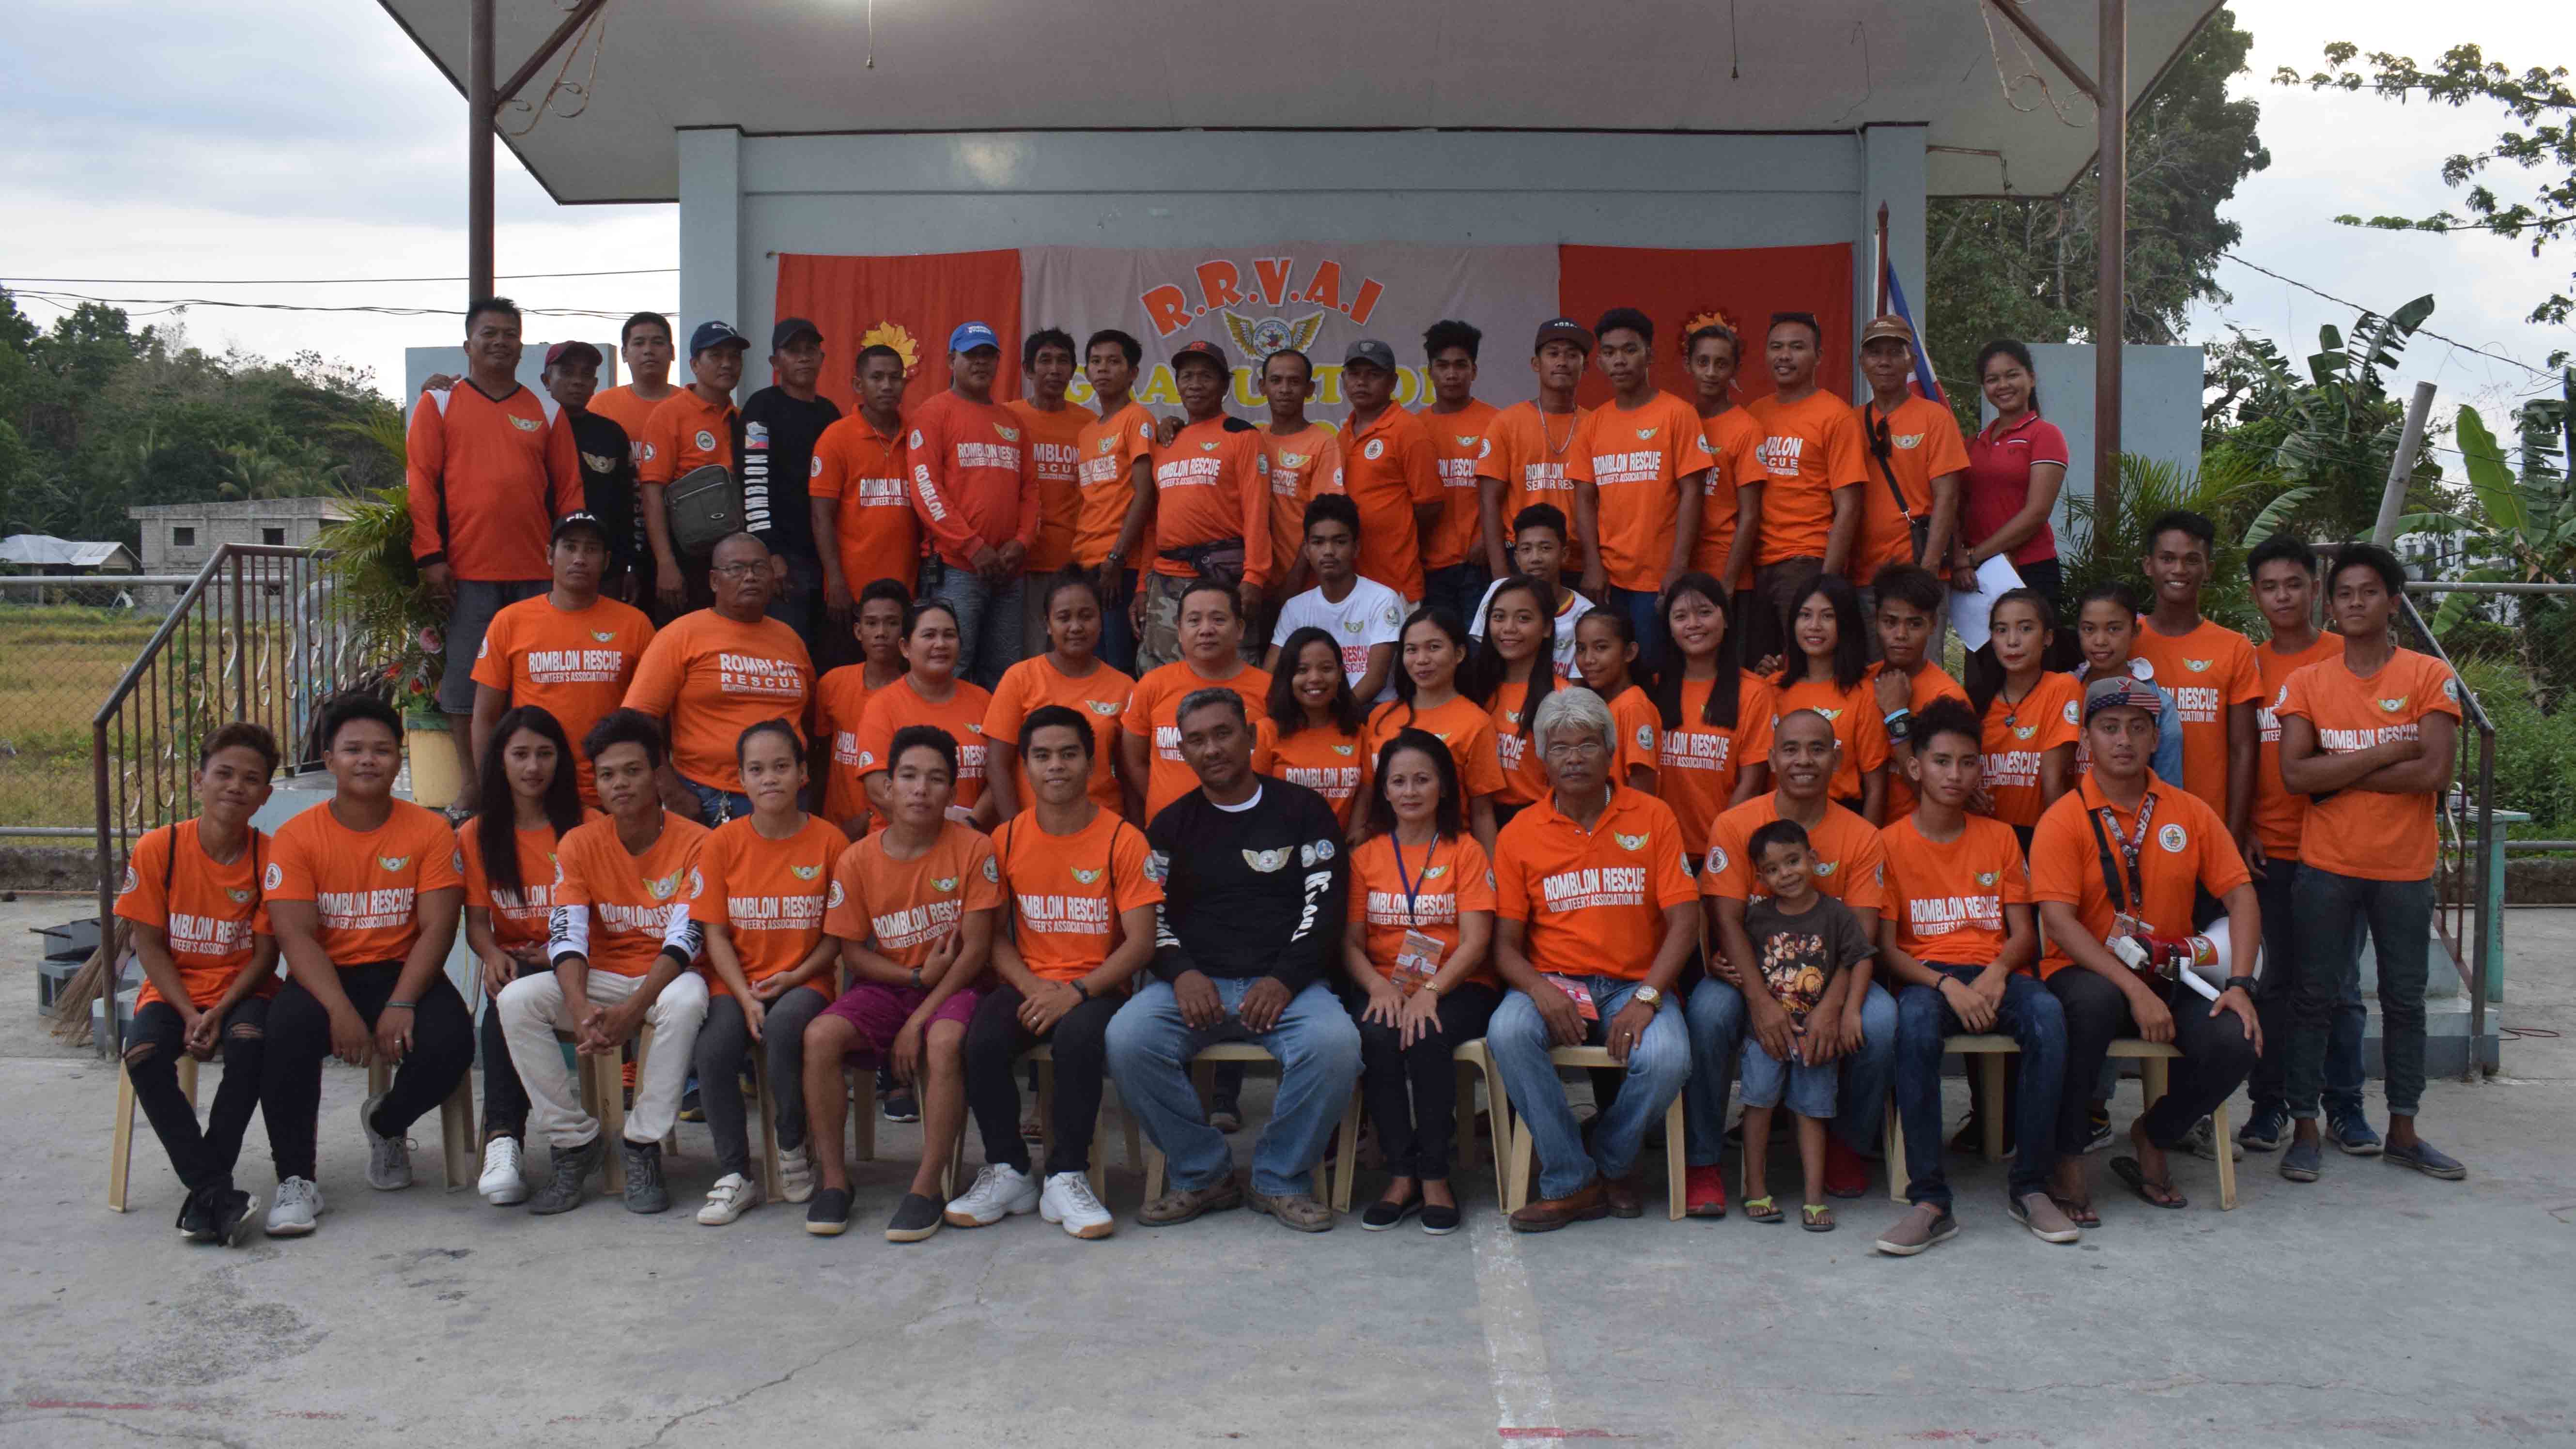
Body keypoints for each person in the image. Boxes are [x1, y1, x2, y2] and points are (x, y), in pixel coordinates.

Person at [1104, 687, 1360, 1231]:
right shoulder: (1170, 825)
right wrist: (1181, 972)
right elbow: (1152, 916)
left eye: (1223, 733)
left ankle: (1279, 1178)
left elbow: (1325, 908)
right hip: (1196, 986)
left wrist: (1284, 979)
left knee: (1335, 1044)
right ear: (1183, 752)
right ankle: (1202, 1174)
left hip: (1288, 986)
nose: (1212, 749)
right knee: (1127, 1038)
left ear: (1249, 737)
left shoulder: (1302, 810)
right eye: (1196, 740)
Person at [2031, 676, 2262, 1217]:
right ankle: (2067, 1158)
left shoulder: (2190, 811)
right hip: (2084, 972)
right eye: (2109, 728)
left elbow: (2242, 898)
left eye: (2138, 728)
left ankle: (2155, 1134)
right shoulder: (2063, 818)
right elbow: (2058, 923)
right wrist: (2135, 992)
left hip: (2169, 970)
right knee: (2092, 1005)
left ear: (2156, 739)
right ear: (2086, 740)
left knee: (2236, 1039)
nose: (2123, 740)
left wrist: (2240, 985)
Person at [2276, 542, 2465, 1183]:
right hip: (2325, 866)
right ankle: (2304, 1128)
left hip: (2403, 870)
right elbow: (2296, 775)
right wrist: (2388, 750)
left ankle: (2403, 1130)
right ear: (2330, 606)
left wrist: (2337, 773)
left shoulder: (2427, 675)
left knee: (2403, 1002)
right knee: (2312, 998)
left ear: (2392, 602)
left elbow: (2433, 772)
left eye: (2368, 592)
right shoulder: (2307, 682)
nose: (2355, 603)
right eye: (2344, 594)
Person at [257, 695, 472, 1237]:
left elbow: (439, 928)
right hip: (325, 977)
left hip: (403, 971)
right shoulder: (297, 837)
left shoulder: (430, 831)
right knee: (283, 1033)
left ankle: (386, 1121)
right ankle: (296, 1179)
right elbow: (295, 935)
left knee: (452, 1041)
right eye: (353, 750)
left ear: (399, 759)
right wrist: (338, 1010)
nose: (368, 760)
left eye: (382, 749)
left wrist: (402, 1000)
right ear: (329, 759)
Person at [945, 706, 1160, 1240]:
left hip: (1099, 987)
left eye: (1069, 754)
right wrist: (1033, 986)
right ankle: (1010, 1171)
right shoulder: (1005, 839)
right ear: (1025, 767)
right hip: (1031, 981)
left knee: (1079, 1040)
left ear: (1091, 763)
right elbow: (992, 937)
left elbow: (1141, 942)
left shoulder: (1123, 839)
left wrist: (1077, 991)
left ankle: (1066, 1175)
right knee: (982, 1039)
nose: (1056, 766)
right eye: (1042, 756)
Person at [1487, 687, 1697, 1231]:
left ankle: (1603, 1162)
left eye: (1586, 745)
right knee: (1507, 1031)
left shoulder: (1653, 816)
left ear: (1610, 751)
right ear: (1542, 758)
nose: (1574, 758)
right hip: (1555, 980)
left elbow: (1684, 923)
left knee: (1668, 1057)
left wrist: (1647, 999)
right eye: (1559, 747)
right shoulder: (1518, 833)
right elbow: (1504, 946)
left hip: (1635, 983)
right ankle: (1573, 1180)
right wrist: (1540, 989)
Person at [1873, 697, 2076, 1254]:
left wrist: (1995, 973)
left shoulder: (2000, 836)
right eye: (1941, 761)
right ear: (1914, 766)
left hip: (1995, 969)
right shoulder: (1888, 843)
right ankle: (1929, 1202)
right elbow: (1886, 948)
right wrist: (1945, 986)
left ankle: (2031, 1186)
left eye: (1967, 763)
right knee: (1913, 1026)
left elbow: (2023, 932)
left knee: (2047, 1016)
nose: (1954, 774)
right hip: (1927, 977)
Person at [495, 709, 710, 1215]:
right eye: (608, 774)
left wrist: (632, 1011)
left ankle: (642, 1144)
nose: (620, 784)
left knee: (686, 1000)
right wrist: (580, 1007)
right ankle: (573, 1142)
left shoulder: (698, 841)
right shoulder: (580, 842)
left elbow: (686, 939)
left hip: (668, 977)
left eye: (633, 771)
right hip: (604, 977)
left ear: (657, 774)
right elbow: (566, 933)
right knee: (516, 999)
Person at [1689, 710, 1897, 1212]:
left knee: (1881, 1020)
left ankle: (1845, 1142)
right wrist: (1760, 1000)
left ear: (1837, 760)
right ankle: (1704, 1160)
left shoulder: (1862, 835)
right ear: (1771, 758)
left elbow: (1862, 937)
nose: (1804, 760)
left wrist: (1832, 1004)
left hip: (1829, 979)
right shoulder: (1735, 824)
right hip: (1749, 979)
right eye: (1790, 749)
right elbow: (1726, 920)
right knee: (1707, 1012)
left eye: (1817, 749)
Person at [807, 725, 1003, 1240]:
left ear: (952, 792)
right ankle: (834, 1182)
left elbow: (977, 950)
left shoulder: (975, 847)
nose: (921, 789)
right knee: (820, 1036)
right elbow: (852, 952)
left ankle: (927, 1186)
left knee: (943, 1041)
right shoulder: (857, 858)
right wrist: (913, 977)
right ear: (888, 788)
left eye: (936, 779)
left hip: (958, 986)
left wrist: (918, 1016)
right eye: (909, 777)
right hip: (893, 983)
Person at [113, 722, 281, 1246]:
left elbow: (266, 956)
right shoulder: (158, 848)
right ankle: (213, 1189)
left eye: (251, 779)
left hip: (243, 990)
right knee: (142, 1053)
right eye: (223, 774)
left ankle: (208, 1188)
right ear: (198, 780)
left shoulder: (270, 857)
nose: (236, 786)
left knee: (250, 1043)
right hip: (174, 991)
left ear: (266, 795)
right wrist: (189, 1012)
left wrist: (218, 1011)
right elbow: (148, 945)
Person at [408, 296, 583, 799]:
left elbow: (570, 494)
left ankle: (536, 791)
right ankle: (475, 788)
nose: (500, 342)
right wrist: (430, 556)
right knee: (465, 691)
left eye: (510, 334)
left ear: (521, 347)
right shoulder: (439, 404)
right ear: (468, 345)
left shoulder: (546, 410)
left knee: (536, 688)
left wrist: (568, 562)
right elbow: (420, 483)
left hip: (537, 576)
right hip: (466, 574)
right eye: (489, 333)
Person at [685, 720, 848, 1225]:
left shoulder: (830, 842)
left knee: (785, 1028)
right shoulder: (720, 843)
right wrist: (743, 994)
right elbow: (715, 935)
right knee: (714, 1048)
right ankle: (736, 1174)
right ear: (741, 780)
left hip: (807, 980)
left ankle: (791, 1142)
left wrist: (795, 977)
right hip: (736, 981)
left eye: (781, 766)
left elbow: (837, 936)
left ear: (802, 773)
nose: (770, 778)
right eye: (756, 770)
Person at [2235, 535, 2367, 1155]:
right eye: (2269, 586)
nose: (2282, 596)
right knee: (2274, 984)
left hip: (2338, 849)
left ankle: (2344, 1106)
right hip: (2270, 851)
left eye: (2293, 584)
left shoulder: (2345, 655)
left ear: (2315, 589)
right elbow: (2239, 752)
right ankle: (2270, 1105)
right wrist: (2243, 826)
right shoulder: (2248, 663)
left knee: (2338, 985)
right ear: (2254, 595)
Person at [1343, 729, 1499, 1233]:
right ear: (1385, 791)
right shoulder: (1365, 856)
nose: (1410, 791)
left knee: (1427, 1033)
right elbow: (1349, 943)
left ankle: (1434, 1176)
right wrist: (1379, 987)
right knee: (1377, 1035)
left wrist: (1430, 991)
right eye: (1398, 781)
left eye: (1422, 780)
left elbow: (1476, 940)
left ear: (1444, 787)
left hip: (1459, 984)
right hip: (1384, 983)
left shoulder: (1466, 851)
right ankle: (1400, 1174)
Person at [459, 706, 596, 1207]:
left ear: (561, 760)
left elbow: (609, 916)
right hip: (519, 963)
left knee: (511, 990)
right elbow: (478, 922)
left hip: (586, 965)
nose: (533, 766)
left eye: (545, 754)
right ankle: (504, 1143)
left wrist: (559, 948)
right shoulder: (477, 834)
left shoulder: (589, 825)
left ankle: (503, 1134)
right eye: (520, 754)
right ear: (500, 760)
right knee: (506, 986)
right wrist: (490, 952)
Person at [1729, 819, 1875, 1232]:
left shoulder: (1835, 914)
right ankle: (1756, 1189)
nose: (1786, 874)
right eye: (1773, 869)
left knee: (1813, 1111)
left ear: (1813, 859)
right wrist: (1723, 969)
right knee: (1758, 1106)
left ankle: (1814, 1198)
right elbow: (1738, 960)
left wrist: (1847, 1010)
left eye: (1793, 861)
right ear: (1761, 878)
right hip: (1767, 1036)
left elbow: (1859, 957)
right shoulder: (1757, 918)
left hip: (1816, 1036)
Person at [621, 531, 816, 825]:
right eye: (736, 569)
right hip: (710, 799)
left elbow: (810, 717)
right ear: (714, 581)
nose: (750, 576)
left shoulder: (791, 639)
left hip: (789, 799)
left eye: (760, 568)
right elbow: (637, 720)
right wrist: (670, 792)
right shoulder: (681, 635)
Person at [469, 512, 656, 808]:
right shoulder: (510, 622)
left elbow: (652, 717)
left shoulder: (636, 625)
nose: (580, 558)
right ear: (549, 555)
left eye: (591, 549)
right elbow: (485, 716)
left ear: (607, 561)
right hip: (537, 789)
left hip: (613, 791)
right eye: (570, 547)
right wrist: (492, 789)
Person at [1568, 307, 1710, 668]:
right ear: (1599, 362)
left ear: (1650, 355)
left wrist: (1678, 566)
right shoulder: (1593, 424)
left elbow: (1693, 493)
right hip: (1608, 578)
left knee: (1654, 670)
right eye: (1610, 352)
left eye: (1630, 350)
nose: (1620, 360)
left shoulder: (1678, 414)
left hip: (1660, 579)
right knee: (1609, 671)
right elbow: (1584, 498)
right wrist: (1593, 565)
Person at [909, 321, 1042, 687]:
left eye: (988, 355)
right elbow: (926, 489)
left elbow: (1030, 491)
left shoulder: (1012, 421)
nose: (981, 362)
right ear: (951, 361)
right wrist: (972, 546)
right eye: (971, 355)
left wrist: (1022, 542)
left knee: (1004, 673)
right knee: (950, 666)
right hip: (956, 567)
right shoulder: (933, 413)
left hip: (1008, 569)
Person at [2131, 510, 2264, 851]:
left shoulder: (2234, 648)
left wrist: (2233, 833)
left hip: (2208, 829)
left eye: (2192, 560)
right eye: (2167, 558)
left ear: (2209, 569)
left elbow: (2243, 748)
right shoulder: (2125, 642)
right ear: (2148, 565)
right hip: (2133, 828)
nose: (2179, 570)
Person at [1743, 313, 1868, 666]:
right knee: (1762, 670)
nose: (1785, 356)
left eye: (1797, 347)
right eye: (1776, 347)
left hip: (1805, 562)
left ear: (1819, 356)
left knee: (1806, 666)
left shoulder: (1836, 416)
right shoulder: (1755, 413)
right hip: (1756, 566)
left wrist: (1826, 581)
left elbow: (1849, 506)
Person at [1141, 339, 1271, 668]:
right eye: (1187, 376)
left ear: (1225, 386)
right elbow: (1154, 522)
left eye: (1206, 376)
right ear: (1177, 384)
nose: (1195, 385)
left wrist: (1254, 577)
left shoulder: (1242, 436)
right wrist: (1143, 583)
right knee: (1163, 675)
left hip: (1222, 578)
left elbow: (1258, 512)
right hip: (1167, 581)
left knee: (1229, 674)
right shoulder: (1165, 442)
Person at [984, 569, 1136, 821]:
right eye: (1064, 618)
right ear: (1047, 624)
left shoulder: (1125, 687)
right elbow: (997, 765)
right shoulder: (1020, 678)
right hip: (1035, 829)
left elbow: (1129, 772)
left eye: (1086, 616)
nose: (1076, 627)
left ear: (1101, 620)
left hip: (1106, 828)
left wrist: (1135, 831)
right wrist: (1014, 832)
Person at [1121, 578, 1273, 824]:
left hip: (1248, 829)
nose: (1206, 630)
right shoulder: (1152, 685)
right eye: (1194, 621)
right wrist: (1165, 804)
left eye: (1219, 620)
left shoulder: (1269, 690)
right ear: (1179, 631)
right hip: (1170, 831)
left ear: (1240, 628)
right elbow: (1134, 760)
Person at [1651, 571, 1776, 863]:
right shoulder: (1652, 690)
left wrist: (1719, 852)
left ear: (1727, 619)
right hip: (1662, 852)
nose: (1693, 624)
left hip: (1726, 851)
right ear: (1669, 627)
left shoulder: (1755, 692)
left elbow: (1752, 784)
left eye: (1705, 613)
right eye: (1681, 617)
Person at [737, 318, 843, 658]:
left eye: (811, 350)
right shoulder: (761, 408)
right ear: (775, 362)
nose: (804, 358)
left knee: (825, 656)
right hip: (784, 560)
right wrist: (770, 553)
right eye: (793, 351)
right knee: (787, 656)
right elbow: (753, 484)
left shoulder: (830, 413)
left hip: (827, 557)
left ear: (822, 359)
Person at [810, 344, 920, 666]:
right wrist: (835, 581)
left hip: (907, 592)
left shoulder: (918, 436)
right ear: (858, 384)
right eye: (877, 378)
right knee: (848, 678)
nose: (887, 386)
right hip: (852, 594)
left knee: (901, 680)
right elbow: (820, 517)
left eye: (895, 378)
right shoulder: (836, 438)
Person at [1366, 608, 1506, 855]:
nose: (1422, 660)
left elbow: (1482, 812)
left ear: (1460, 653)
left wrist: (1491, 869)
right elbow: (1367, 792)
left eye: (1434, 647)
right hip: (1385, 857)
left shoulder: (1476, 722)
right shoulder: (1380, 717)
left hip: (1449, 855)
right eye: (1412, 650)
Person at [638, 321, 752, 621]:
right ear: (694, 365)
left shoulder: (743, 420)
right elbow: (652, 494)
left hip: (734, 559)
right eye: (716, 356)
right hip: (686, 558)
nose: (727, 364)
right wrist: (665, 563)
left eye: (734, 356)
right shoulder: (668, 415)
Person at [1852, 316, 1968, 609]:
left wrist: (1928, 569)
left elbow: (1948, 497)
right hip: (1861, 577)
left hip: (1917, 572)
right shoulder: (1849, 422)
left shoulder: (1936, 418)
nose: (1884, 362)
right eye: (1875, 353)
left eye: (1895, 352)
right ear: (1862, 362)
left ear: (1912, 361)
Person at [852, 598, 995, 831]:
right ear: (905, 648)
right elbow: (877, 787)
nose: (941, 644)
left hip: (971, 837)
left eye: (949, 635)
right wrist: (934, 834)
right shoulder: (883, 705)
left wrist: (970, 826)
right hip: (902, 840)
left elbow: (999, 775)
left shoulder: (984, 701)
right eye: (929, 635)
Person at [1476, 317, 1593, 583]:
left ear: (1585, 366)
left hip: (1579, 560)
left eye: (1572, 355)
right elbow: (1489, 501)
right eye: (1553, 354)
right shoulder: (1507, 423)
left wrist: (1594, 566)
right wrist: (1500, 575)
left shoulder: (1596, 424)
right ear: (1536, 364)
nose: (1562, 362)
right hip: (1523, 558)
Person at [1071, 328, 1161, 674]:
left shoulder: (1137, 418)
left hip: (1120, 564)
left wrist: (1117, 556)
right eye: (1096, 362)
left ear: (1133, 372)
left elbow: (1145, 494)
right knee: (1094, 666)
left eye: (1113, 361)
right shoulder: (1087, 432)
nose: (1103, 369)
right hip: (1088, 561)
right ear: (1087, 372)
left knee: (1120, 669)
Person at [1958, 340, 2068, 608]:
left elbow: (2037, 513)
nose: (2003, 385)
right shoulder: (1972, 443)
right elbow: (1956, 507)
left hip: (2031, 570)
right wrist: (1962, 558)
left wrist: (1974, 556)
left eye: (2012, 375)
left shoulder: (2045, 435)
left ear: (2031, 379)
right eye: (1993, 379)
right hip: (1976, 576)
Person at [1966, 588, 2079, 846]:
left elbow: (2054, 780)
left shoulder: (2061, 688)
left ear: (2048, 637)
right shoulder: (1976, 700)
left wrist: (2057, 848)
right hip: (1982, 839)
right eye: (2001, 630)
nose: (2012, 641)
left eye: (2026, 629)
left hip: (2040, 836)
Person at [1773, 574, 1890, 822]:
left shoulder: (1864, 694)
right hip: (1776, 822)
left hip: (1841, 819)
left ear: (1846, 623)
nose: (1814, 626)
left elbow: (1876, 788)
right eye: (1805, 615)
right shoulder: (1771, 688)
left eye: (1828, 616)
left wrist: (1867, 840)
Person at [1267, 493, 1403, 705]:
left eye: (1339, 542)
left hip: (1373, 709)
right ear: (1306, 550)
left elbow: (1376, 679)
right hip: (1313, 712)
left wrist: (1336, 716)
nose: (1329, 551)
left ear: (1356, 548)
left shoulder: (1383, 600)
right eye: (1318, 542)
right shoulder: (1294, 608)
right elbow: (1269, 675)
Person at [1333, 339, 1442, 602]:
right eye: (1354, 374)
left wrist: (1398, 533)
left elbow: (1430, 505)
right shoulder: (1343, 434)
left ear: (1393, 383)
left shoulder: (1409, 430)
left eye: (1373, 375)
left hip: (1395, 582)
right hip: (1351, 583)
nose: (1362, 382)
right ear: (1344, 380)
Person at [1007, 329, 1090, 660]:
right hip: (1017, 563)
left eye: (1063, 361)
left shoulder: (1091, 424)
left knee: (1069, 659)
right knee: (1024, 659)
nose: (1054, 369)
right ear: (1028, 369)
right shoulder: (1007, 418)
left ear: (1073, 370)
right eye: (1045, 361)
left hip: (1072, 563)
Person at [1864, 563, 1969, 822]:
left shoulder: (1948, 697)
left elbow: (1937, 798)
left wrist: (1896, 716)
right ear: (1876, 620)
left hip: (1917, 835)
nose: (1901, 635)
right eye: (1890, 622)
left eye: (1914, 624)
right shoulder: (1860, 682)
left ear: (1933, 624)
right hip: (1857, 833)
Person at [542, 341, 644, 599]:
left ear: (595, 383)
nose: (578, 381)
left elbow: (628, 505)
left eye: (586, 374)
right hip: (536, 567)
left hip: (601, 571)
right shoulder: (532, 428)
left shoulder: (611, 434)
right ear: (546, 380)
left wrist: (629, 566)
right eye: (567, 373)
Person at [813, 578, 914, 837]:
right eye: (871, 623)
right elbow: (819, 756)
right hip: (834, 827)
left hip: (892, 829)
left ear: (906, 631)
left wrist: (869, 815)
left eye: (892, 623)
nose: (881, 632)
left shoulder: (916, 694)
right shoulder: (833, 684)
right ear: (858, 631)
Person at [1418, 320, 1500, 627]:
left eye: (1460, 365)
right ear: (1430, 372)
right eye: (1443, 366)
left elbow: (1513, 492)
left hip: (1479, 563)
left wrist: (1489, 540)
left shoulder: (1497, 422)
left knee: (1479, 648)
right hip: (1430, 566)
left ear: (1474, 371)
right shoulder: (1415, 427)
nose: (1451, 374)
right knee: (1440, 646)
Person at [2070, 580, 2186, 788]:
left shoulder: (2158, 704)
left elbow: (2168, 790)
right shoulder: (2062, 692)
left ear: (2134, 632)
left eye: (2114, 629)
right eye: (2089, 629)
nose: (2100, 640)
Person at [1684, 321, 1764, 610]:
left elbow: (1750, 514)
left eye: (1721, 364)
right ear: (1688, 365)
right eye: (1702, 362)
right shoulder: (1679, 420)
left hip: (1726, 573)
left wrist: (1729, 581)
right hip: (1679, 571)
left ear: (1735, 370)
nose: (1710, 372)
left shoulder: (1747, 429)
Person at [1259, 626, 1373, 831]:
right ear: (1287, 676)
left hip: (1343, 845)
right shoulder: (1265, 732)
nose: (1315, 678)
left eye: (1326, 669)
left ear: (1340, 674)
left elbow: (1366, 790)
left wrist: (1355, 836)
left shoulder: (1358, 731)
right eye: (1302, 670)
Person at [1255, 348, 1341, 614]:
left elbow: (1324, 522)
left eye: (1294, 381)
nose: (1284, 389)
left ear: (1309, 389)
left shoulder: (1323, 443)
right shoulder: (1253, 439)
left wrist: (1294, 581)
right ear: (1262, 387)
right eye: (1276, 380)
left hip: (1304, 584)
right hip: (1256, 584)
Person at [1475, 575, 1567, 823]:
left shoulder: (1562, 697)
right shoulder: (1475, 689)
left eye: (1524, 618)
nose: (1509, 628)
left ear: (1547, 628)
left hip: (1542, 822)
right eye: (1499, 617)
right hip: (1480, 819)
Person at [1468, 503, 1592, 676]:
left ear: (1564, 555)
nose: (1535, 558)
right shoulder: (1499, 592)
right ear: (1517, 558)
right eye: (1526, 549)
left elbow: (1576, 684)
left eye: (1545, 548)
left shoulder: (1584, 613)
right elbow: (1483, 659)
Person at [1571, 611, 1661, 794]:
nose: (1588, 660)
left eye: (1601, 648)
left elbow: (1642, 794)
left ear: (1629, 652)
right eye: (1581, 649)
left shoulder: (1633, 707)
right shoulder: (1601, 704)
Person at [589, 312, 679, 466]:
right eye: (639, 343)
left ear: (672, 352)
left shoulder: (693, 405)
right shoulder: (601, 406)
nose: (648, 350)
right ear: (624, 354)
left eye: (658, 343)